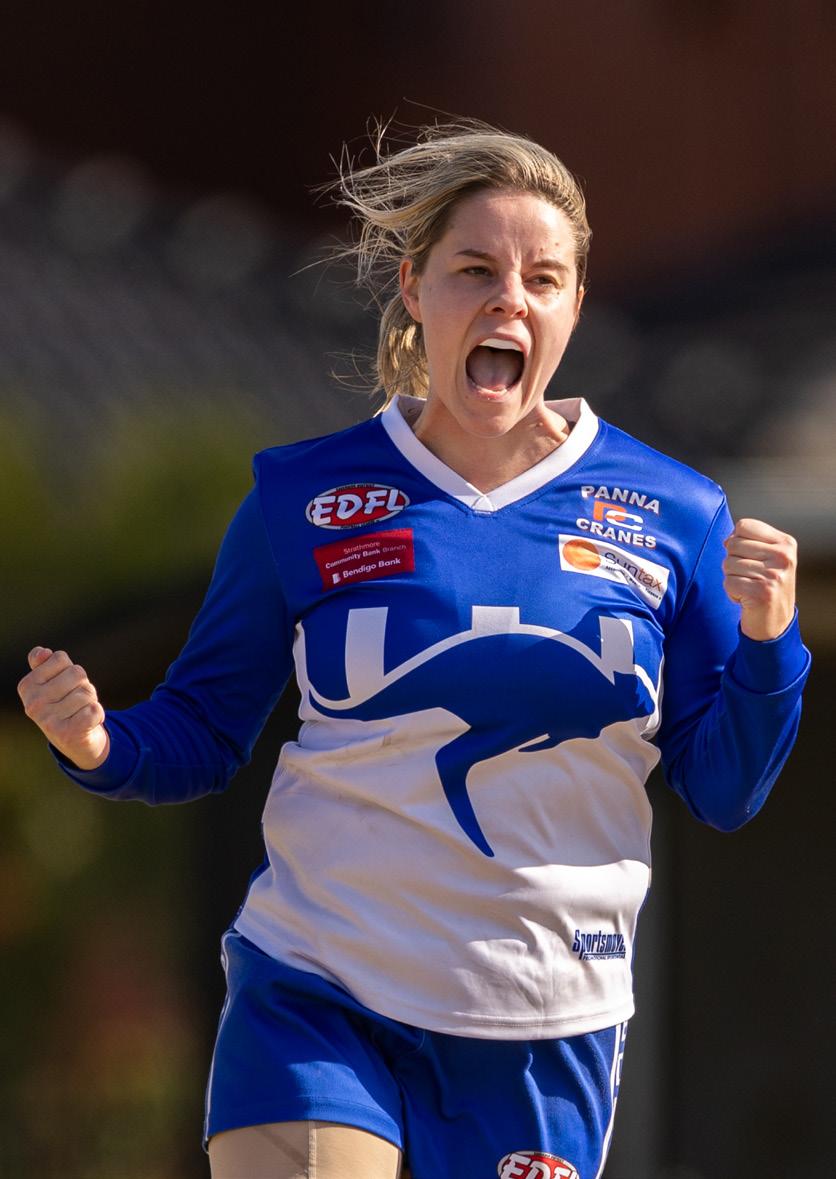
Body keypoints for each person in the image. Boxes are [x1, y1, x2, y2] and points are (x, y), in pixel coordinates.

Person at [18, 121, 810, 1179]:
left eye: (542, 278)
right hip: (319, 989)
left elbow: (723, 788)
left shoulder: (679, 511)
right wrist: (100, 742)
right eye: (474, 270)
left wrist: (767, 644)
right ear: (414, 289)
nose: (508, 299)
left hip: (546, 1027)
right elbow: (201, 728)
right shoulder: (300, 494)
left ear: (574, 306)